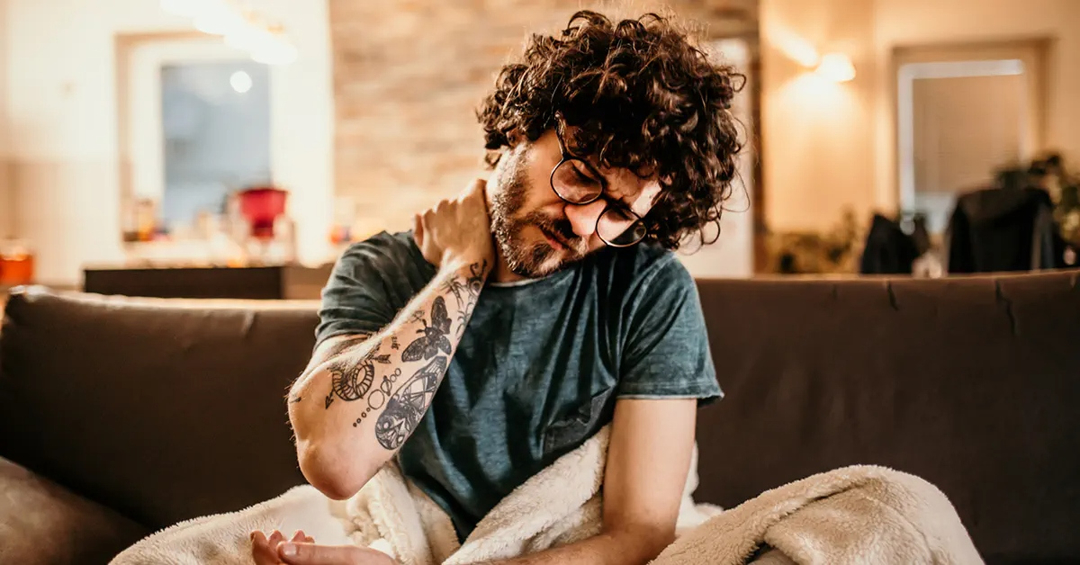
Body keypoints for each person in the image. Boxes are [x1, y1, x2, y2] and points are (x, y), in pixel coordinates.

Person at [252, 9, 743, 565]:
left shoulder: (649, 289)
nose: (585, 226)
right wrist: (462, 267)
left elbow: (639, 536)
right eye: (581, 176)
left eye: (619, 212)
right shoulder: (381, 267)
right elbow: (334, 462)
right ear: (520, 126)